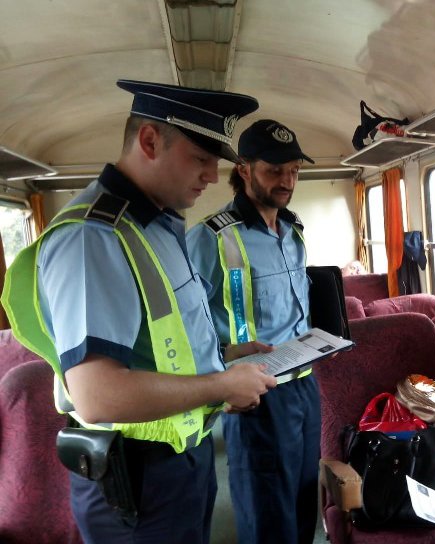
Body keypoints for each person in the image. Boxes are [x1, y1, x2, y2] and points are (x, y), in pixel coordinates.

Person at [1, 80, 280, 544]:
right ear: (150, 141)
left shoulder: (155, 226)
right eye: (201, 158)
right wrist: (223, 385)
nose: (213, 176)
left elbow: (158, 345)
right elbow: (98, 395)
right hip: (137, 481)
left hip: (180, 460)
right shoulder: (95, 238)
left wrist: (225, 358)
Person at [187, 119, 318, 544]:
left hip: (304, 386)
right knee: (265, 511)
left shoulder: (294, 230)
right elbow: (183, 320)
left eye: (294, 170)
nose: (287, 180)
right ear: (243, 169)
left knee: (302, 503)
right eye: (274, 170)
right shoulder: (210, 237)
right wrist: (223, 355)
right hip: (256, 393)